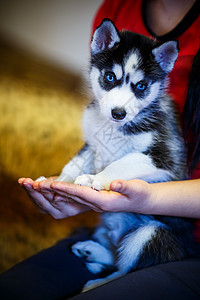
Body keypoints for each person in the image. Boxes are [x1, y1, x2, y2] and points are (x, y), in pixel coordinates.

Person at [1, 0, 200, 299]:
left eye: (139, 87)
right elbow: (97, 148)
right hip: (112, 223)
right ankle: (109, 253)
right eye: (111, 80)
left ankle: (118, 271)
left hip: (176, 238)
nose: (120, 103)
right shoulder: (119, 7)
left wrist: (138, 196)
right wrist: (66, 187)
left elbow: (153, 161)